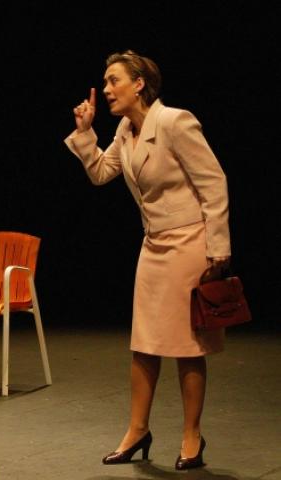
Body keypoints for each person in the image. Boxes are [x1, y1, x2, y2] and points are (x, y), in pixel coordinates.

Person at [65, 51, 231, 470]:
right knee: (144, 342)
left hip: (189, 241)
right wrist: (85, 134)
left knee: (186, 345)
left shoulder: (175, 122)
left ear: (139, 84)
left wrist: (218, 247)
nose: (107, 89)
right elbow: (101, 173)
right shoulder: (126, 129)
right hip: (153, 244)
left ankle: (192, 435)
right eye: (105, 82)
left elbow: (213, 182)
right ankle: (137, 430)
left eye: (114, 80)